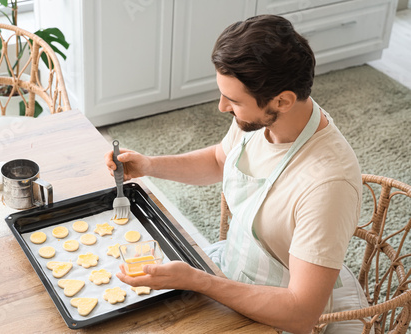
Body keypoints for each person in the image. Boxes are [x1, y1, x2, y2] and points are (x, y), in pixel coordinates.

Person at [105, 15, 362, 334]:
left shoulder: (328, 183)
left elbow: (300, 312)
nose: (222, 107)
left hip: (280, 312)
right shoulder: (264, 117)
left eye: (234, 100)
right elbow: (218, 161)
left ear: (282, 100)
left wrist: (199, 281)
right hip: (230, 268)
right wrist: (149, 165)